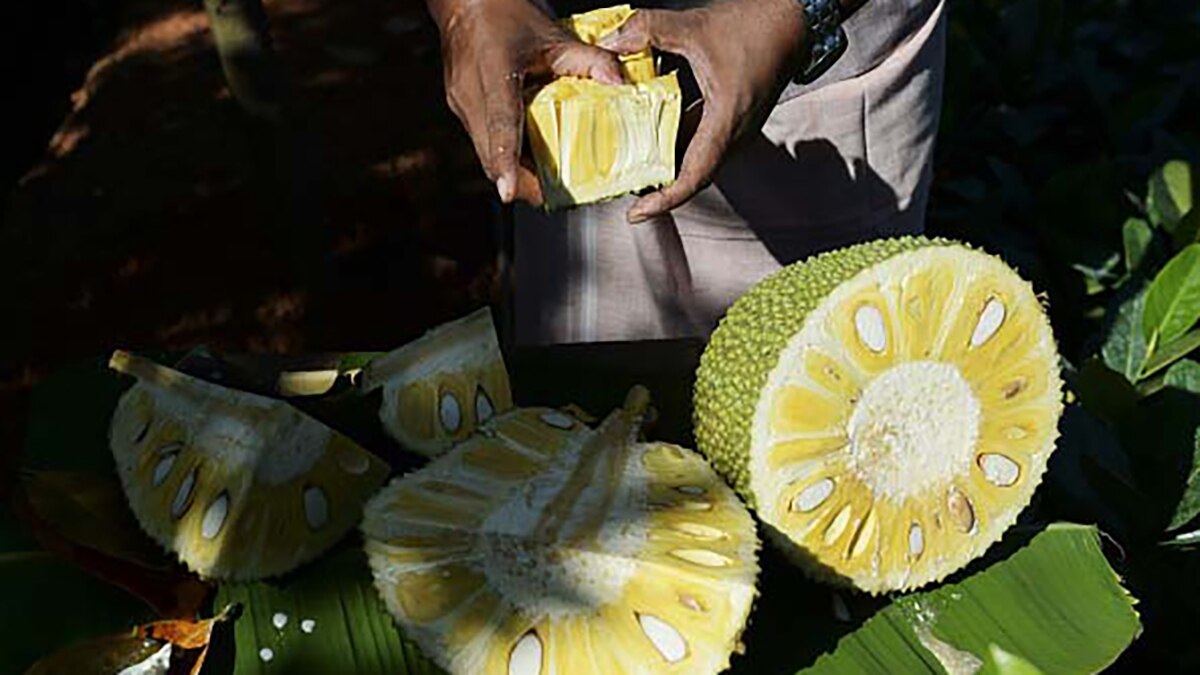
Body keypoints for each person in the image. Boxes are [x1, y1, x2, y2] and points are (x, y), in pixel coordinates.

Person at [425, 0, 945, 343]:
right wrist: (467, 11)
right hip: (561, 60)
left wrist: (799, 11)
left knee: (812, 426)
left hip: (807, 76)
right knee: (584, 426)